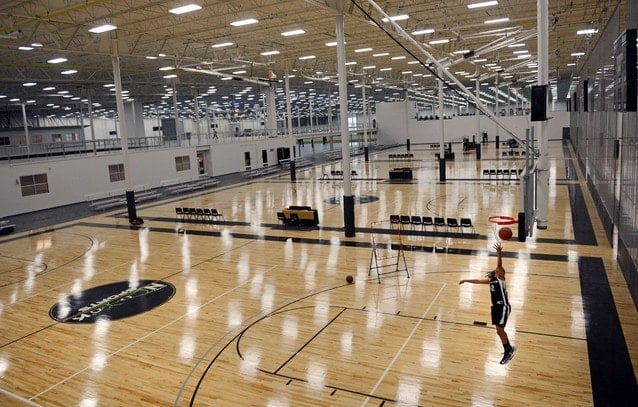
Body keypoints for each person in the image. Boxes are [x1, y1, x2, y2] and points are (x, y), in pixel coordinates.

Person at [459, 242, 515, 364]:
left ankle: (508, 350)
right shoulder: (492, 280)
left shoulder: (501, 280)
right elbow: (478, 281)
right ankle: (508, 348)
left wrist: (499, 253)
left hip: (503, 307)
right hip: (496, 307)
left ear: (502, 274)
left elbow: (499, 264)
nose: (499, 270)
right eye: (498, 270)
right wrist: (466, 280)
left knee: (500, 330)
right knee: (499, 331)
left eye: (501, 270)